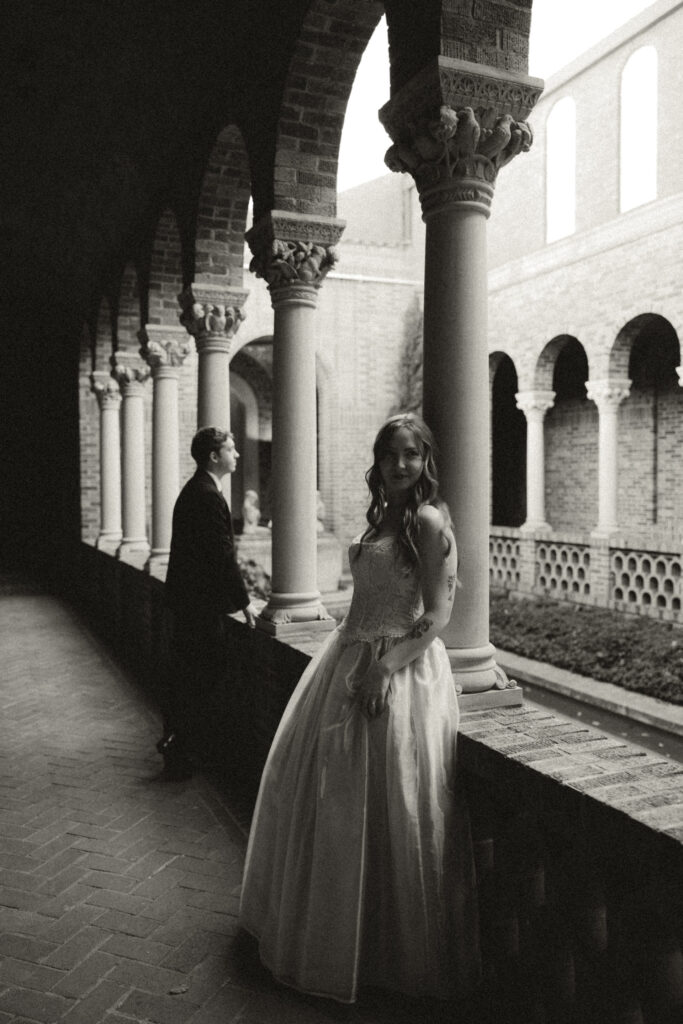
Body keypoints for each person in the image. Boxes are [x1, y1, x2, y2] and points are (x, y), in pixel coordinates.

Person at [239, 413, 480, 1004]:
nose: (401, 465)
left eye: (412, 455)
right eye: (392, 454)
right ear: (378, 461)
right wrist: (353, 649)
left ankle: (385, 956)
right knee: (338, 804)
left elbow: (438, 618)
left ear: (426, 462)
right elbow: (370, 594)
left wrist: (383, 667)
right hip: (347, 656)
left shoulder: (426, 519)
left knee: (391, 804)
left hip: (399, 672)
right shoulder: (384, 517)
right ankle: (340, 936)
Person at [158, 426, 258, 778]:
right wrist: (244, 603)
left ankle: (179, 746)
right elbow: (221, 555)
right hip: (199, 607)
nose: (237, 454)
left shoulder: (196, 490)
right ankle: (182, 750)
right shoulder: (206, 495)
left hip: (189, 602)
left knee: (189, 677)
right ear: (215, 456)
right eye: (231, 449)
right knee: (199, 679)